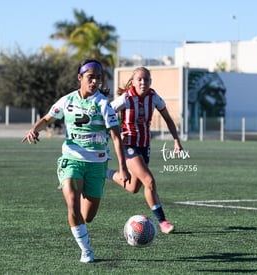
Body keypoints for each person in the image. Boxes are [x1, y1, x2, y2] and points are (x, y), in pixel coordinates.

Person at [22, 59, 130, 263]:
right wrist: (34, 129)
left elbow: (116, 137)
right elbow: (47, 118)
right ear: (80, 78)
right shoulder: (67, 101)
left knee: (87, 216)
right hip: (71, 160)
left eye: (98, 78)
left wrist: (122, 169)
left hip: (97, 164)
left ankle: (83, 219)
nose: (95, 81)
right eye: (91, 77)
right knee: (72, 206)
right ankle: (86, 250)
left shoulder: (103, 104)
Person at [107, 66, 183, 234]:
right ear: (133, 82)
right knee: (149, 180)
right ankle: (163, 222)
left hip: (144, 146)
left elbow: (169, 120)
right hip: (129, 145)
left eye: (146, 79)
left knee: (134, 187)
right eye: (139, 79)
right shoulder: (125, 99)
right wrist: (110, 134)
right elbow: (105, 113)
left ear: (150, 81)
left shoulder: (154, 97)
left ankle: (106, 173)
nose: (143, 82)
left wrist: (176, 140)